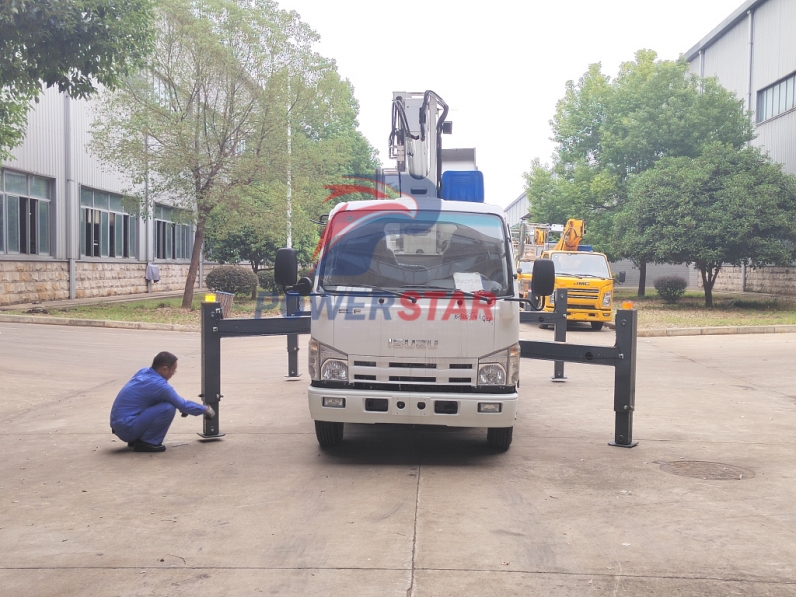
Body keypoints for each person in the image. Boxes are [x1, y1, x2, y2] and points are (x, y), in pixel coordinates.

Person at [110, 351, 214, 453]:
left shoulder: (144, 371)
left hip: (120, 425)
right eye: (173, 371)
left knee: (162, 402)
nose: (173, 374)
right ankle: (147, 442)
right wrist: (206, 409)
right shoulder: (160, 386)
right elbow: (183, 405)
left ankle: (137, 438)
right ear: (164, 369)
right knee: (168, 408)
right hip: (128, 429)